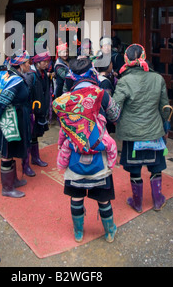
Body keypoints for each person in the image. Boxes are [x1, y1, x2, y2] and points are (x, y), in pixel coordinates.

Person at [53, 57, 120, 243]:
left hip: (74, 153)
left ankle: (78, 232)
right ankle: (109, 232)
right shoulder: (101, 93)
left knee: (76, 197)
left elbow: (63, 126)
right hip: (99, 150)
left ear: (72, 76)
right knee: (103, 198)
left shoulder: (66, 99)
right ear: (92, 72)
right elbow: (115, 115)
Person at [113, 44, 170, 213]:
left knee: (135, 168)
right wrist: (165, 125)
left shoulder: (124, 81)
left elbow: (115, 108)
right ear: (144, 58)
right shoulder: (158, 78)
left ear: (126, 59)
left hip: (132, 133)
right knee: (156, 166)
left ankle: (137, 204)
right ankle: (158, 201)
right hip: (154, 131)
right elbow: (165, 107)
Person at [0, 50, 31, 198]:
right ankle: (7, 187)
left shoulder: (12, 76)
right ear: (21, 64)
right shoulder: (16, 80)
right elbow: (3, 100)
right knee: (7, 151)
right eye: (27, 63)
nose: (29, 65)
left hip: (15, 116)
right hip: (11, 118)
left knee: (11, 149)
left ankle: (13, 180)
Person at [24, 51, 51, 173]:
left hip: (40, 111)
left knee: (35, 136)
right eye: (43, 61)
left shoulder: (44, 73)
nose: (46, 64)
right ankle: (25, 166)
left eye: (47, 61)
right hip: (31, 112)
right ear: (37, 62)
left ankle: (35, 158)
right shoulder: (31, 75)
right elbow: (25, 94)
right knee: (28, 138)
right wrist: (31, 110)